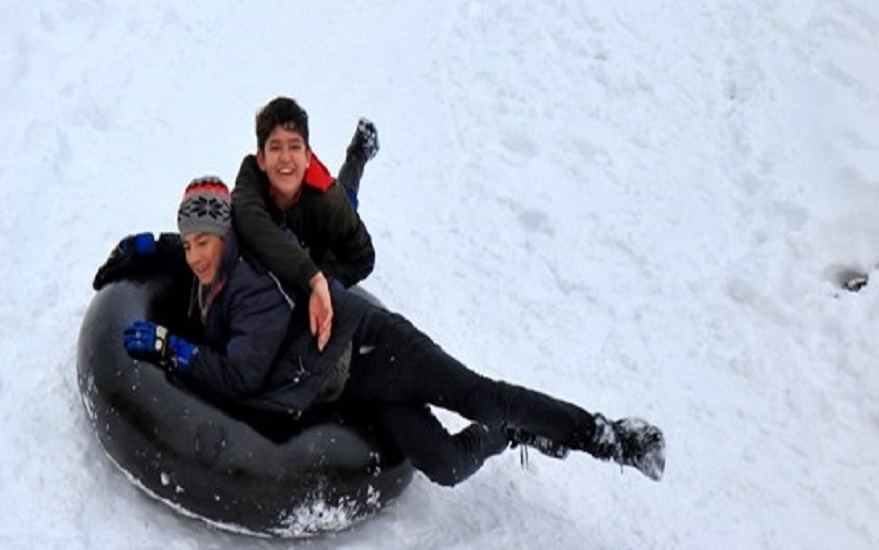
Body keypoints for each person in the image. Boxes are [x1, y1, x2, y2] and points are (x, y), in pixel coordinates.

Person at [108, 177, 668, 491]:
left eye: (203, 240)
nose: (194, 252)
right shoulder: (211, 267)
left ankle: (607, 437)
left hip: (378, 347)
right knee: (446, 467)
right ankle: (511, 437)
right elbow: (196, 260)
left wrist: (172, 350)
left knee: (480, 394)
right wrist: (154, 248)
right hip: (350, 390)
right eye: (187, 242)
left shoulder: (252, 284)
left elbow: (243, 375)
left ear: (228, 237)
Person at [232, 97, 377, 350]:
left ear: (308, 156)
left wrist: (322, 279)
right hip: (304, 256)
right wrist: (309, 276)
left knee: (347, 198)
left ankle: (358, 154)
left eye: (294, 147)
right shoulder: (251, 174)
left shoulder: (329, 202)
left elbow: (363, 258)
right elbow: (248, 219)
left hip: (327, 235)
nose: (286, 158)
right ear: (262, 159)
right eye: (275, 147)